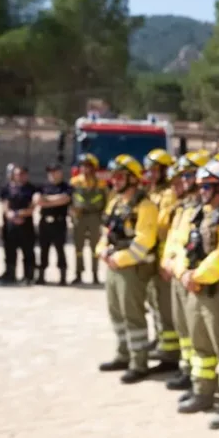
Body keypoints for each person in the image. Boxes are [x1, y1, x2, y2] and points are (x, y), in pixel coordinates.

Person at [177, 155, 219, 430]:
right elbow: (183, 245)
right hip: (195, 289)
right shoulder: (198, 214)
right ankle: (202, 392)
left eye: (207, 187)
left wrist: (196, 276)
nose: (201, 192)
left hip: (214, 292)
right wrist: (184, 273)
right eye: (200, 187)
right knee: (200, 347)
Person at [96, 154, 159, 384]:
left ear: (133, 179)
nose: (115, 181)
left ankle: (139, 363)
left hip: (133, 268)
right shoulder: (115, 202)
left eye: (120, 176)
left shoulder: (146, 206)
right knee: (116, 313)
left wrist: (118, 258)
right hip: (114, 265)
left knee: (133, 316)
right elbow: (106, 232)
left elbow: (144, 241)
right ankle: (123, 354)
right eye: (113, 177)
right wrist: (102, 250)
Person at [162, 150, 211, 392]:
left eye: (189, 175)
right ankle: (187, 369)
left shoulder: (206, 209)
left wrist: (179, 269)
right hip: (177, 274)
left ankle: (199, 379)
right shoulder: (185, 207)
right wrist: (167, 261)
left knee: (197, 333)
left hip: (190, 277)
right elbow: (174, 239)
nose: (184, 181)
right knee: (183, 328)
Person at [142, 148, 180, 373]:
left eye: (156, 170)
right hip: (151, 256)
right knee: (155, 303)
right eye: (150, 170)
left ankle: (170, 355)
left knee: (166, 307)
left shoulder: (169, 194)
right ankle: (161, 341)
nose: (151, 174)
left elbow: (162, 224)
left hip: (163, 257)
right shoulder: (152, 192)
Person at [70, 153, 107, 285]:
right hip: (79, 217)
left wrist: (104, 218)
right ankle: (78, 273)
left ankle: (95, 274)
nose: (84, 169)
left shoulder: (100, 184)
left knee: (95, 248)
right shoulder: (74, 182)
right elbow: (70, 200)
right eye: (82, 166)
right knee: (78, 248)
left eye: (88, 166)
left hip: (94, 217)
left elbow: (105, 201)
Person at [35, 164, 72, 286]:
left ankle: (62, 277)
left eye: (54, 172)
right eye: (50, 172)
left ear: (60, 172)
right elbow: (37, 200)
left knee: (60, 249)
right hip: (44, 222)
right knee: (43, 250)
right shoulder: (43, 186)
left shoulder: (66, 187)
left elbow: (65, 199)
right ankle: (41, 276)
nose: (52, 174)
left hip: (59, 222)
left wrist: (47, 200)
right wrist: (54, 201)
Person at [1, 166, 37, 285]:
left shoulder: (32, 189)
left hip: (26, 224)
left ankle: (28, 276)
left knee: (27, 251)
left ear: (26, 175)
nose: (20, 176)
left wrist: (19, 214)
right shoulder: (8, 188)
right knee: (10, 250)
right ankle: (10, 274)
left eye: (22, 174)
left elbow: (33, 207)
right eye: (17, 174)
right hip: (11, 224)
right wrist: (10, 215)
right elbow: (5, 204)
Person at [0, 162, 17, 281]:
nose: (10, 175)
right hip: (7, 222)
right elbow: (4, 204)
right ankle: (9, 272)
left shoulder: (25, 187)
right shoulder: (5, 188)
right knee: (8, 248)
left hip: (21, 222)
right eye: (9, 172)